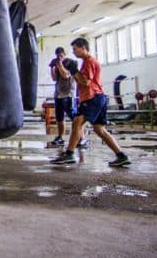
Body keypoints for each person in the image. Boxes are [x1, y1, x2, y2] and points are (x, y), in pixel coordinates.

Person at [50, 37, 130, 167]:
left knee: (77, 123)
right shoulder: (86, 62)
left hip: (92, 97)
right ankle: (121, 156)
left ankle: (69, 154)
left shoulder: (89, 62)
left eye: (75, 49)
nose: (74, 52)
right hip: (97, 98)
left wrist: (74, 70)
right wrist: (73, 70)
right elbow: (81, 80)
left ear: (83, 48)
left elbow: (85, 82)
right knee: (100, 130)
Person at [48, 47, 76, 147]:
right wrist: (51, 67)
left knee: (74, 117)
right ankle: (60, 137)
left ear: (65, 54)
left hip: (68, 94)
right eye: (57, 55)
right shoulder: (57, 64)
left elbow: (65, 75)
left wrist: (59, 64)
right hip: (58, 94)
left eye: (61, 55)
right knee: (59, 117)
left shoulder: (70, 63)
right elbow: (54, 78)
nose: (59, 57)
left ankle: (81, 137)